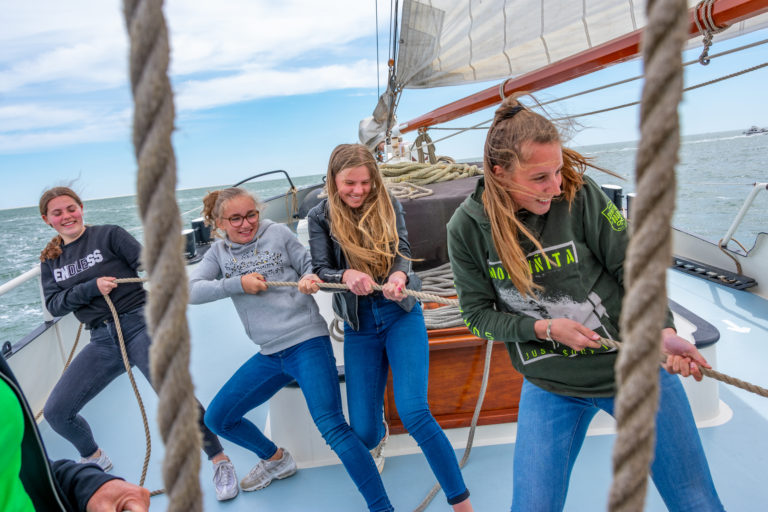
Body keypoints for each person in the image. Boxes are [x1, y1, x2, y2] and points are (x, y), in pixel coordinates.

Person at [446, 95, 724, 511]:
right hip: (551, 385)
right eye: (540, 177)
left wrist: (663, 330)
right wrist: (542, 329)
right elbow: (477, 317)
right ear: (500, 174)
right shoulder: (466, 228)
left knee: (695, 501)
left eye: (558, 170)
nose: (556, 186)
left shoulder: (580, 194)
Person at [188, 187, 392, 512]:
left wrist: (310, 277)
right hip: (270, 353)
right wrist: (237, 284)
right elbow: (193, 291)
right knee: (218, 418)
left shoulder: (278, 233)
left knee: (332, 427)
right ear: (219, 223)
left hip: (307, 342)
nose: (246, 224)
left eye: (251, 215)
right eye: (235, 219)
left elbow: (309, 262)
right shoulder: (218, 254)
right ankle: (275, 459)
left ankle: (382, 508)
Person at [38, 187, 238, 502]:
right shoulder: (51, 260)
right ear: (47, 220)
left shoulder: (109, 235)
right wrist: (92, 287)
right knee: (56, 412)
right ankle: (93, 457)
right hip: (102, 338)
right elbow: (55, 305)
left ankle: (219, 460)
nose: (66, 216)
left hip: (140, 324)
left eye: (70, 208)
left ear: (81, 208)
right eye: (57, 213)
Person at [307, 143, 473, 511]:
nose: (358, 190)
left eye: (366, 182)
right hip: (359, 325)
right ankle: (378, 428)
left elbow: (403, 249)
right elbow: (321, 269)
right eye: (349, 183)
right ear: (334, 179)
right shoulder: (321, 217)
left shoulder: (389, 203)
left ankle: (462, 503)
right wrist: (345, 274)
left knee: (415, 413)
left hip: (400, 313)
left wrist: (399, 273)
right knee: (364, 434)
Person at [1, 353, 150, 512]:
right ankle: (94, 456)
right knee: (56, 412)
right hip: (105, 340)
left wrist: (88, 485)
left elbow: (15, 464)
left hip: (138, 332)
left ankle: (95, 459)